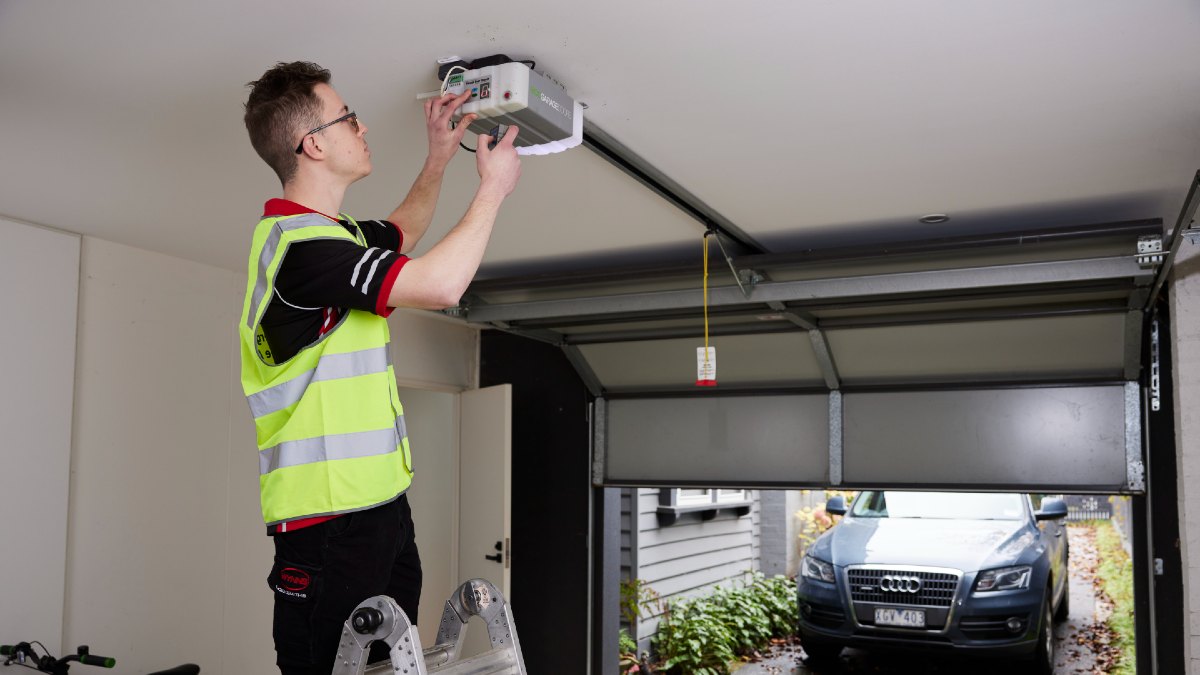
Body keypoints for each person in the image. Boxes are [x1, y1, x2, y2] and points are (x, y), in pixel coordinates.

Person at [238, 61, 521, 675]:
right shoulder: (300, 250)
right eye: (347, 118)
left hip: (380, 507)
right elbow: (443, 284)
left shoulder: (330, 236)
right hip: (327, 524)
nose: (362, 125)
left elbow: (400, 231)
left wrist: (440, 158)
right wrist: (493, 188)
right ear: (313, 144)